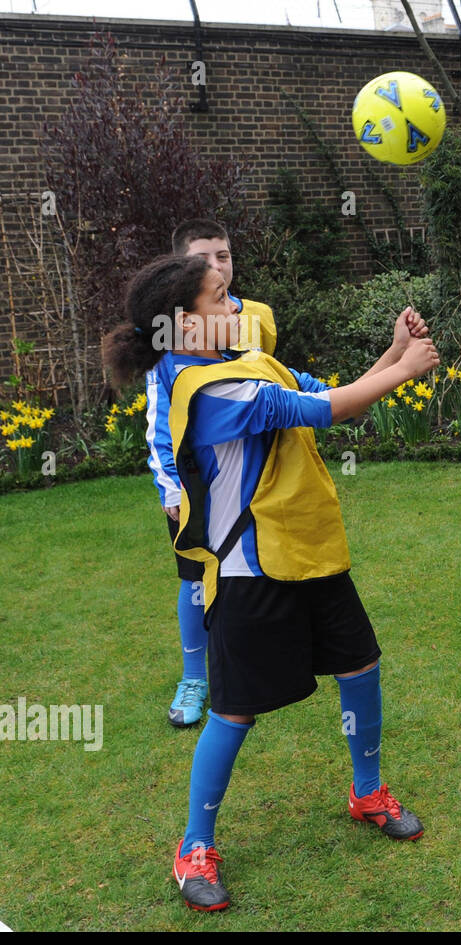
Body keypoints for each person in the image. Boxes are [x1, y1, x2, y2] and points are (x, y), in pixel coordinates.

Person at [103, 253, 438, 910]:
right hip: (248, 570)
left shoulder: (244, 361)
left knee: (361, 665)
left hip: (310, 548)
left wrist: (392, 354)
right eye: (221, 299)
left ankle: (366, 792)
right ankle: (195, 844)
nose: (236, 308)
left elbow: (323, 395)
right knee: (234, 709)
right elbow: (322, 414)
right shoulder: (208, 390)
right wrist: (403, 371)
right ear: (183, 327)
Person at [146, 219, 278, 727]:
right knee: (197, 574)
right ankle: (194, 677)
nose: (217, 266)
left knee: (254, 562)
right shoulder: (171, 330)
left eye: (223, 255)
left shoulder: (248, 317)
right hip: (196, 482)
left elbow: (269, 383)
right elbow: (162, 421)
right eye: (204, 259)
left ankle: (250, 658)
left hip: (251, 477)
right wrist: (171, 485)